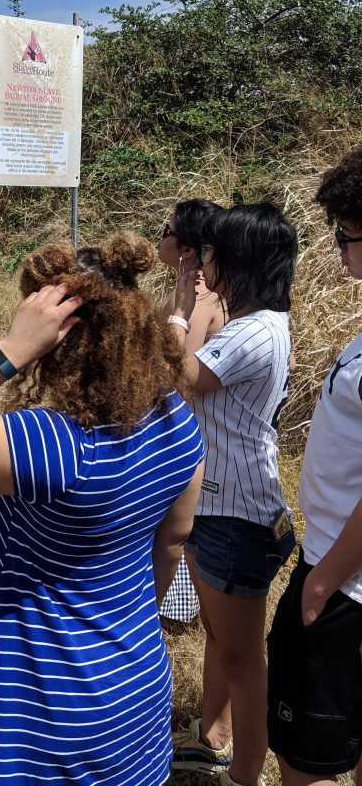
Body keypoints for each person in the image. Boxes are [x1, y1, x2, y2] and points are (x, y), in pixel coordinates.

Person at [0, 235, 205, 786]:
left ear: (57, 337)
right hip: (137, 688)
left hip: (42, 702)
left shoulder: (54, 444)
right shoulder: (175, 421)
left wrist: (10, 349)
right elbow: (172, 541)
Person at [169, 202, 298, 786]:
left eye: (212, 254)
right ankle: (215, 739)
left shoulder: (252, 330)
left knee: (244, 662)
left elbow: (184, 376)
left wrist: (184, 309)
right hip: (227, 505)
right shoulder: (261, 321)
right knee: (223, 640)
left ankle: (245, 773)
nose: (205, 263)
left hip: (234, 515)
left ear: (237, 261)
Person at [267, 149, 362, 786]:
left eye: (346, 235)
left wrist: (323, 580)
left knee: (306, 759)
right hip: (340, 567)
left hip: (345, 579)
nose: (340, 250)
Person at [157, 198, 225, 624]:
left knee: (177, 527)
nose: (159, 235)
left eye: (166, 229)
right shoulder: (198, 293)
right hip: (189, 429)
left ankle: (178, 609)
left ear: (184, 249)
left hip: (184, 430)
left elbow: (184, 373)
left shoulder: (197, 301)